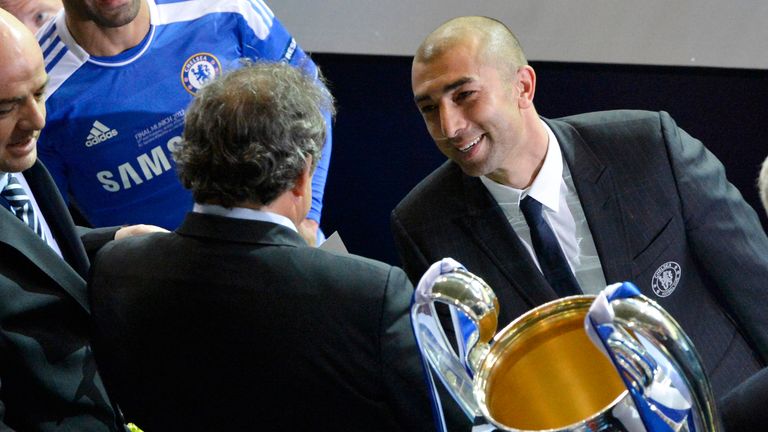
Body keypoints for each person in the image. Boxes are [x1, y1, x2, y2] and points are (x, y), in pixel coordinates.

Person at [391, 15, 768, 429]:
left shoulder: (648, 147)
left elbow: (759, 289)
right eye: (429, 109)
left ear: (523, 86)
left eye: (464, 95)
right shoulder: (423, 223)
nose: (449, 126)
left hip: (726, 413)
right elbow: (469, 392)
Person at [87, 62, 437, 431]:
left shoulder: (117, 266)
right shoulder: (371, 294)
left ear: (190, 156)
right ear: (303, 175)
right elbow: (440, 420)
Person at [35, 0, 331, 245]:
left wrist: (308, 215)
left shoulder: (222, 9)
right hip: (162, 286)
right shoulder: (38, 85)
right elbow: (47, 233)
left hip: (287, 245)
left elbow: (311, 102)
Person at [0, 8, 164, 430]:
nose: (36, 121)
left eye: (39, 93)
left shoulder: (15, 159)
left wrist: (114, 239)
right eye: (5, 107)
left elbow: (27, 244)